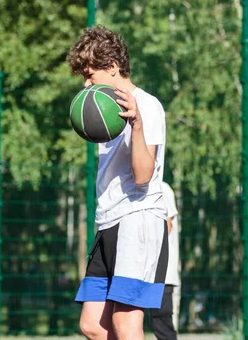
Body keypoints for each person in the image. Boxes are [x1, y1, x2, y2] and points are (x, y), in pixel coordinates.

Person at [67, 25, 168, 340]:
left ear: (111, 68)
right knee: (93, 326)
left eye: (89, 74)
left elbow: (142, 175)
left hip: (138, 221)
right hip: (109, 222)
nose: (86, 83)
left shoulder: (146, 106)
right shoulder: (107, 110)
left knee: (126, 324)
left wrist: (136, 124)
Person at [150, 182, 181, 340]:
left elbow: (166, 225)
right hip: (142, 270)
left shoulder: (161, 188)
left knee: (162, 323)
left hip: (161, 273)